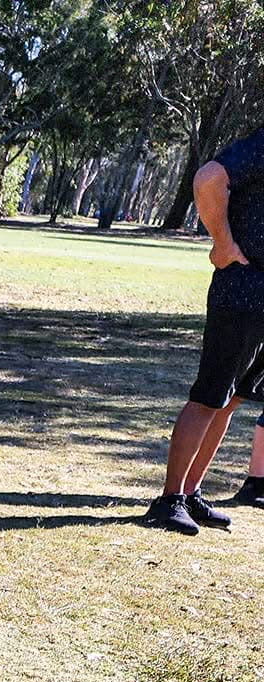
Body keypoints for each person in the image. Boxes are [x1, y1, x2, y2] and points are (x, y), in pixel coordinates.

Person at [146, 122, 264, 533]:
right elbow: (209, 177)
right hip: (244, 292)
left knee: (231, 400)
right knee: (210, 396)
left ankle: (191, 493)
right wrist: (223, 242)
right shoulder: (260, 146)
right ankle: (168, 500)